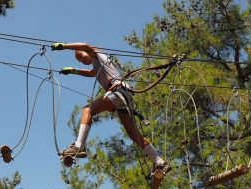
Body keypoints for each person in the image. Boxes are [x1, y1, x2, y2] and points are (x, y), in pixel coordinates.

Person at [51, 42, 169, 174]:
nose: (81, 60)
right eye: (79, 59)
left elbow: (85, 45)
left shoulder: (98, 55)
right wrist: (73, 70)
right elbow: (91, 73)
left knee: (87, 110)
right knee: (133, 133)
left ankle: (79, 146)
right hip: (124, 96)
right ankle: (159, 162)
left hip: (119, 91)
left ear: (87, 51)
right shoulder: (97, 66)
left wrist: (64, 46)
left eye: (81, 55)